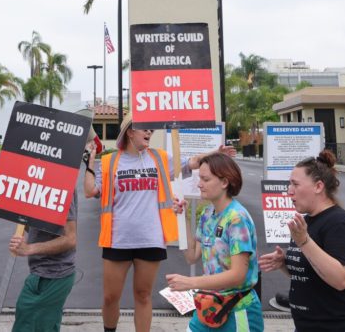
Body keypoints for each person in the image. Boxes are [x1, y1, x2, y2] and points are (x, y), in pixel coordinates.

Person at [82, 115, 233, 332]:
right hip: (117, 239)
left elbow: (191, 162)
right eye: (144, 128)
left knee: (143, 295)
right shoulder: (110, 162)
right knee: (110, 297)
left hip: (150, 238)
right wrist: (90, 162)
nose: (149, 132)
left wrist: (215, 153)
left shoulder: (160, 158)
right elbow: (90, 191)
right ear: (129, 132)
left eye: (151, 129)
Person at [259, 150, 345, 332]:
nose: (289, 191)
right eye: (289, 184)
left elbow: (341, 279)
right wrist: (284, 264)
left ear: (318, 186)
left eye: (295, 184)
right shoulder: (307, 221)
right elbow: (311, 273)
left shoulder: (340, 223)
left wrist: (305, 242)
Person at [166, 152, 264, 332]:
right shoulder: (208, 214)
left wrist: (191, 283)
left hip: (238, 309)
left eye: (205, 179)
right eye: (200, 178)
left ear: (224, 182)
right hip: (209, 306)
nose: (199, 184)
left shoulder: (237, 218)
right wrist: (183, 218)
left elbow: (238, 275)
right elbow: (191, 256)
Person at [7, 196, 78, 332]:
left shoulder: (61, 187)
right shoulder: (42, 188)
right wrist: (9, 207)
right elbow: (40, 229)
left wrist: (29, 248)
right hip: (42, 274)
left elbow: (70, 239)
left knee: (25, 322)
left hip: (52, 276)